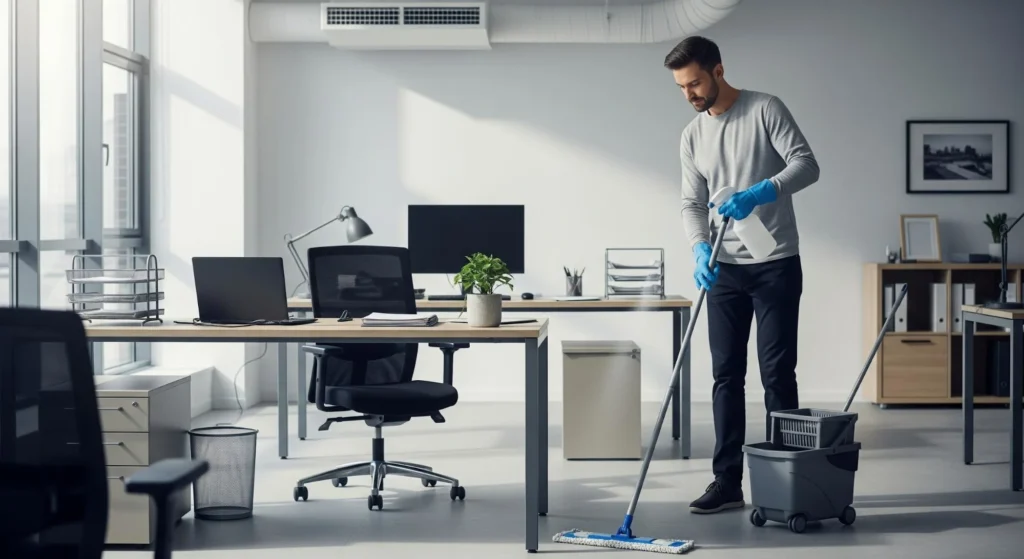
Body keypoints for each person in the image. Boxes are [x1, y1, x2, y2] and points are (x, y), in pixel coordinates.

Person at [664, 36, 820, 514]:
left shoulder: (765, 109)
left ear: (718, 70)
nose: (689, 94)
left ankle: (786, 479)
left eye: (694, 82)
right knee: (725, 375)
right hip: (723, 268)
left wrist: (759, 193)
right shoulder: (692, 134)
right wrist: (698, 250)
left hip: (775, 264)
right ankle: (726, 481)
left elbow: (807, 165)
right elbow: (692, 203)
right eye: (681, 87)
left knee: (777, 374)